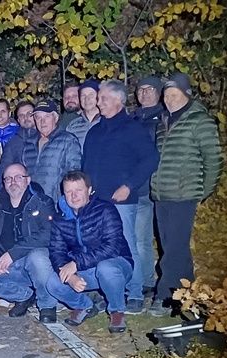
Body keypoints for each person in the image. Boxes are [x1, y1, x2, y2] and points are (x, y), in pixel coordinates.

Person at [82, 79, 159, 314]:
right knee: (97, 246)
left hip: (121, 201)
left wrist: (128, 185)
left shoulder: (132, 128)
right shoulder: (95, 131)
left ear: (118, 100)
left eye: (103, 98)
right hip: (96, 202)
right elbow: (86, 164)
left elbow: (150, 158)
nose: (98, 102)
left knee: (127, 245)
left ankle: (134, 293)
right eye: (98, 98)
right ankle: (106, 292)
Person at [150, 72, 223, 316]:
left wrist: (203, 191)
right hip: (162, 195)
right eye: (166, 96)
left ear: (186, 94)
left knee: (174, 248)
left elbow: (213, 159)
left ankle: (164, 297)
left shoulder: (200, 121)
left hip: (185, 194)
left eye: (174, 95)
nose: (169, 100)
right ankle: (187, 296)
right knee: (172, 246)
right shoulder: (163, 122)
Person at [46, 171, 133, 332]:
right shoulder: (60, 218)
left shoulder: (106, 210)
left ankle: (117, 311)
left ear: (89, 190)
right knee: (52, 282)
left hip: (118, 265)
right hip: (85, 269)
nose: (74, 196)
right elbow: (56, 251)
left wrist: (76, 263)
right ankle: (85, 306)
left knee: (106, 268)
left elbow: (112, 247)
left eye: (78, 190)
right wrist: (70, 276)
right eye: (68, 192)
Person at [0, 164, 56, 322]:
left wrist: (13, 253)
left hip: (34, 263)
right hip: (8, 264)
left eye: (18, 177)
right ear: (3, 183)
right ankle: (25, 296)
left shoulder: (42, 202)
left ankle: (47, 305)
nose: (13, 182)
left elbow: (48, 234)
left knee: (38, 258)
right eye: (8, 179)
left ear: (28, 180)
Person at [132, 75, 165, 297]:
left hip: (150, 188)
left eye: (149, 89)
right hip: (130, 187)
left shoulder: (164, 118)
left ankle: (147, 282)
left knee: (142, 238)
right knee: (133, 237)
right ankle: (138, 279)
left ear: (158, 92)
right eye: (141, 89)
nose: (144, 93)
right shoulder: (132, 118)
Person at [14, 100, 82, 203]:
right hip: (33, 204)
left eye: (47, 117)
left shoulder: (68, 140)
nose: (42, 121)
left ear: (56, 118)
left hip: (57, 205)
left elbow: (75, 175)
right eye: (38, 117)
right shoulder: (28, 144)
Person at [1, 100, 35, 179]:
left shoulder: (46, 137)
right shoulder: (13, 143)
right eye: (21, 115)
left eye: (29, 114)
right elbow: (3, 170)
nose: (25, 118)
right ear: (18, 120)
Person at [65, 79, 101, 152]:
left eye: (91, 95)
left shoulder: (108, 122)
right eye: (83, 95)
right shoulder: (72, 126)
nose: (87, 99)